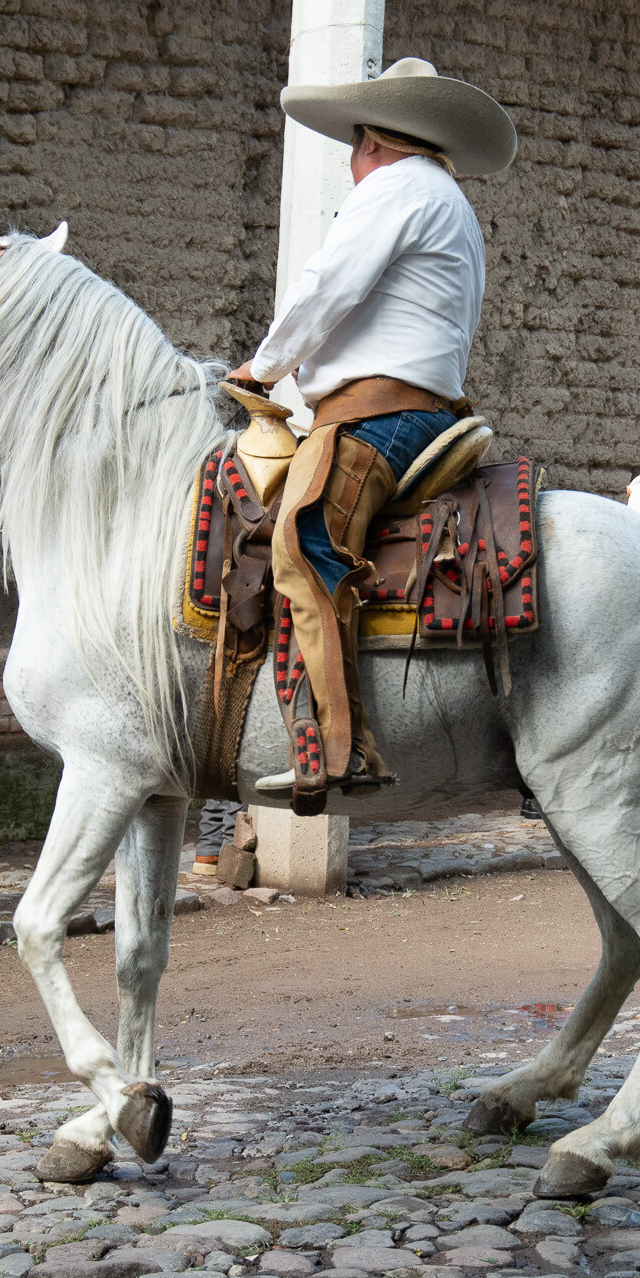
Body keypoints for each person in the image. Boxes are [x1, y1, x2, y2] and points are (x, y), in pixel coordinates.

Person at [225, 58, 518, 798]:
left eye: (355, 149)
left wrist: (264, 367)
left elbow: (326, 286)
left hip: (377, 416)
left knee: (300, 539)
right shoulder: (450, 201)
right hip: (428, 412)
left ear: (374, 143)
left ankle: (339, 747)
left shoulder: (395, 186)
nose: (353, 166)